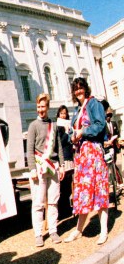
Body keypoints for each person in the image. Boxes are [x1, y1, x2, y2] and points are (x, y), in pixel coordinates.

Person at [64, 77, 109, 245]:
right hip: (82, 156)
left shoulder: (93, 104)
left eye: (80, 88)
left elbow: (100, 125)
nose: (78, 91)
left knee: (99, 190)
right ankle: (78, 229)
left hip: (94, 153)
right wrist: (72, 136)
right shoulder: (77, 110)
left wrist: (83, 131)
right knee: (83, 192)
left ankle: (103, 230)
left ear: (85, 88)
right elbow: (73, 133)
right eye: (75, 89)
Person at [26, 93, 65, 247]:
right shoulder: (33, 125)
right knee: (38, 202)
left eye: (43, 107)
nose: (40, 110)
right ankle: (38, 233)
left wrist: (61, 165)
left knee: (54, 201)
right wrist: (32, 169)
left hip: (53, 166)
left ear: (48, 107)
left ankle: (53, 230)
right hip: (39, 166)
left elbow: (59, 147)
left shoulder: (53, 125)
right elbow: (29, 149)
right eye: (38, 107)